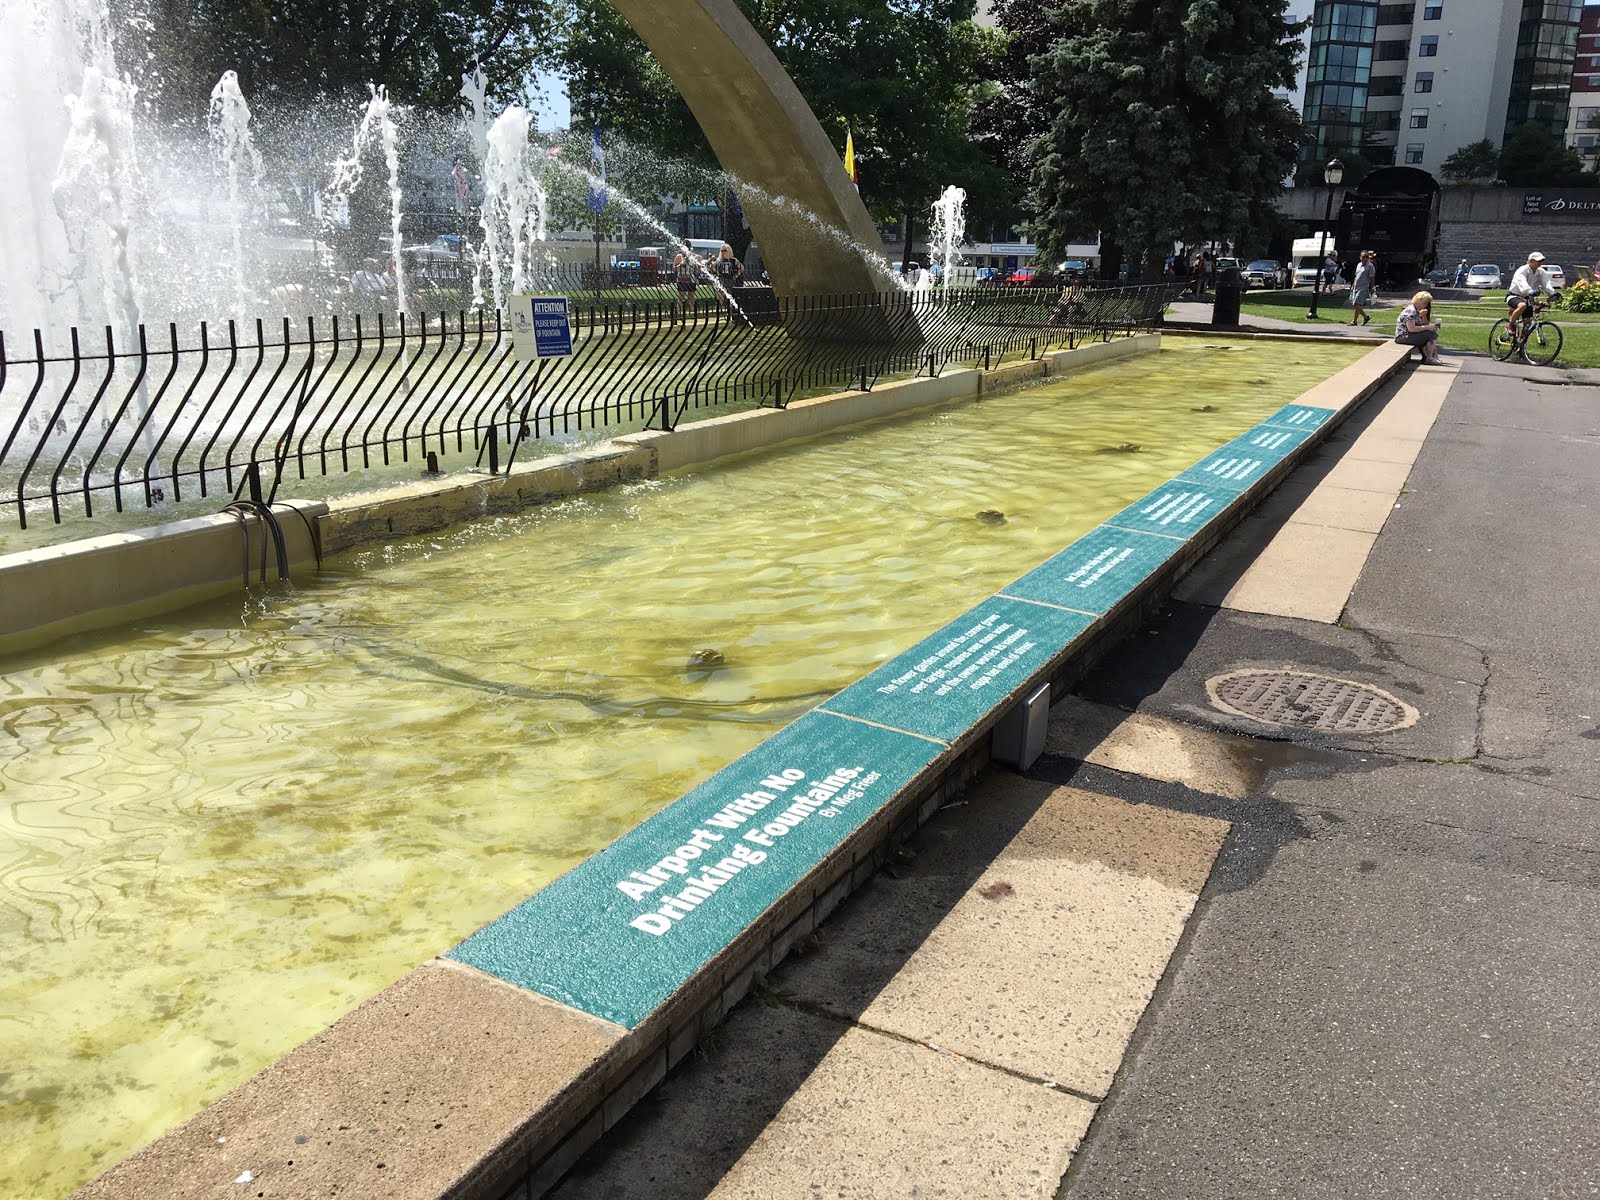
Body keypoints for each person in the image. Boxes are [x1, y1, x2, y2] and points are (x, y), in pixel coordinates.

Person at [1506, 250, 1557, 335]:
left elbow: (1546, 283)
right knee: (1522, 305)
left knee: (1527, 325)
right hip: (1514, 296)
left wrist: (1552, 293)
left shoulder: (1541, 272)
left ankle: (1521, 346)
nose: (1540, 263)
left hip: (1527, 298)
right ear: (1531, 261)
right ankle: (1511, 325)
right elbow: (1522, 283)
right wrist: (1529, 291)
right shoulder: (1522, 270)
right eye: (1538, 261)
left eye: (1541, 261)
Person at [1394, 289, 1443, 364]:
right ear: (1418, 301)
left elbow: (1423, 324)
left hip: (1408, 335)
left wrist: (1423, 317)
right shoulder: (1411, 311)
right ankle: (1429, 358)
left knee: (1428, 333)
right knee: (1431, 335)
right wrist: (1428, 327)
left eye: (1427, 303)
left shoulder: (1417, 311)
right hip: (1403, 336)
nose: (1426, 305)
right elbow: (1412, 329)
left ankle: (1429, 356)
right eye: (1425, 303)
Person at [1349, 249, 1377, 326]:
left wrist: (1372, 288)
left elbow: (1372, 278)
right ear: (1360, 257)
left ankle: (1354, 321)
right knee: (1355, 305)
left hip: (1364, 288)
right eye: (1364, 256)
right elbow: (1356, 276)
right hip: (1356, 287)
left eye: (1367, 256)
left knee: (1356, 304)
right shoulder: (1358, 265)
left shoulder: (1370, 266)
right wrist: (1352, 286)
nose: (1365, 258)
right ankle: (1365, 317)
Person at [672, 251, 699, 317]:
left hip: (691, 279)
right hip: (682, 279)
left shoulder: (693, 256)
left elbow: (697, 267)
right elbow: (674, 268)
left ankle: (692, 312)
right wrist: (680, 265)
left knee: (691, 296)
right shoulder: (679, 256)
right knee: (681, 296)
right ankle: (679, 312)